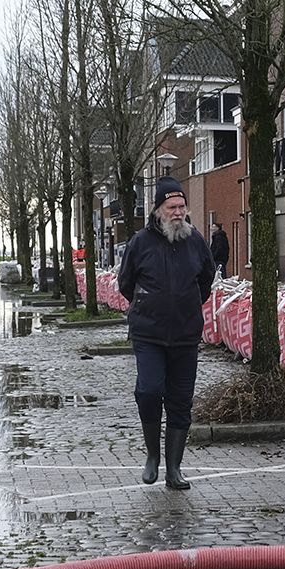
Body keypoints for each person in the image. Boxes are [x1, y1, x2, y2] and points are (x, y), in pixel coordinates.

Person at [117, 177, 216, 490]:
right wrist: (149, 302)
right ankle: (152, 456)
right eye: (171, 207)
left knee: (180, 400)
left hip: (186, 335)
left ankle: (174, 469)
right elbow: (125, 283)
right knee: (148, 390)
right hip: (149, 334)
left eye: (182, 207)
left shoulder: (196, 241)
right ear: (157, 210)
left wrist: (185, 305)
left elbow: (206, 280)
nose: (178, 212)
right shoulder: (140, 243)